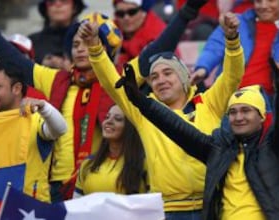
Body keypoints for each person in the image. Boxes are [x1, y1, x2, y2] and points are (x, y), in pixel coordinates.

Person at [0, 0, 207, 203]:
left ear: (105, 50)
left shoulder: (118, 78)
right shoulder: (57, 79)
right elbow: (15, 63)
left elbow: (156, 50)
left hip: (103, 183)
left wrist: (186, 13)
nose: (80, 49)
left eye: (87, 44)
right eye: (75, 44)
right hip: (54, 187)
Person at [78, 10, 243, 220]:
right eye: (154, 77)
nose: (160, 80)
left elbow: (232, 76)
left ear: (184, 77)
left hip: (211, 206)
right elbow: (112, 83)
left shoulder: (209, 102)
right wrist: (94, 46)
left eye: (168, 73)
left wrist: (232, 40)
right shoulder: (144, 111)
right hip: (168, 211)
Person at [118, 56, 279, 220]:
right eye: (233, 112)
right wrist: (140, 101)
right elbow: (177, 129)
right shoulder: (219, 149)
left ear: (261, 116)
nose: (238, 117)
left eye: (246, 111)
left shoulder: (277, 147)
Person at [192, 0, 279, 98]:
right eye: (259, 1)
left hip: (270, 100)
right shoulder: (236, 22)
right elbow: (214, 47)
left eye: (271, 1)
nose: (264, 6)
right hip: (228, 96)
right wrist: (203, 68)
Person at [0, 62, 67, 202]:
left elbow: (61, 129)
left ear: (17, 88)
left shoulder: (34, 120)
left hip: (33, 211)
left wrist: (43, 106)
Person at [74, 105, 147, 196]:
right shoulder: (88, 163)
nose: (108, 121)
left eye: (118, 119)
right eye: (107, 117)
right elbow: (77, 203)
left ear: (130, 127)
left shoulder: (144, 163)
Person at [29, 0, 86, 68]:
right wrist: (41, 63)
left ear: (75, 7)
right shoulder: (31, 42)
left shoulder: (87, 38)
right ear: (46, 9)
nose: (58, 4)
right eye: (52, 1)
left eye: (64, 1)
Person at [112, 0, 166, 69]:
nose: (126, 18)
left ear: (143, 12)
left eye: (132, 12)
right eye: (120, 13)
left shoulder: (160, 37)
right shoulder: (109, 34)